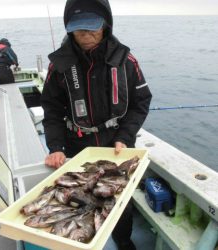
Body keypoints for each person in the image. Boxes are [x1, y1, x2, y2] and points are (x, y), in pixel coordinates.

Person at [41, 0, 152, 249]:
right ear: (70, 30)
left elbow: (141, 102)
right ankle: (83, 241)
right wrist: (56, 146)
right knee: (78, 198)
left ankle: (123, 240)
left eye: (92, 28)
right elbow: (51, 109)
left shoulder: (126, 60)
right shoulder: (59, 65)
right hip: (76, 146)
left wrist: (125, 135)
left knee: (121, 202)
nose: (86, 36)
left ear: (105, 26)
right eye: (79, 30)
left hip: (117, 143)